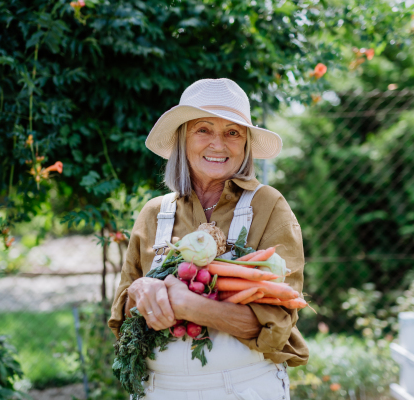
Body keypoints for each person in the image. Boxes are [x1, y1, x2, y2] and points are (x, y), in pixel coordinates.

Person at [109, 78, 308, 400]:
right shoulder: (154, 213)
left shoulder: (268, 206)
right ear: (182, 139)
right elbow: (124, 322)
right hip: (160, 390)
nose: (218, 144)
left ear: (244, 145)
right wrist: (140, 289)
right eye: (203, 129)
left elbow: (274, 325)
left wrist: (189, 305)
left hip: (244, 388)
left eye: (233, 132)